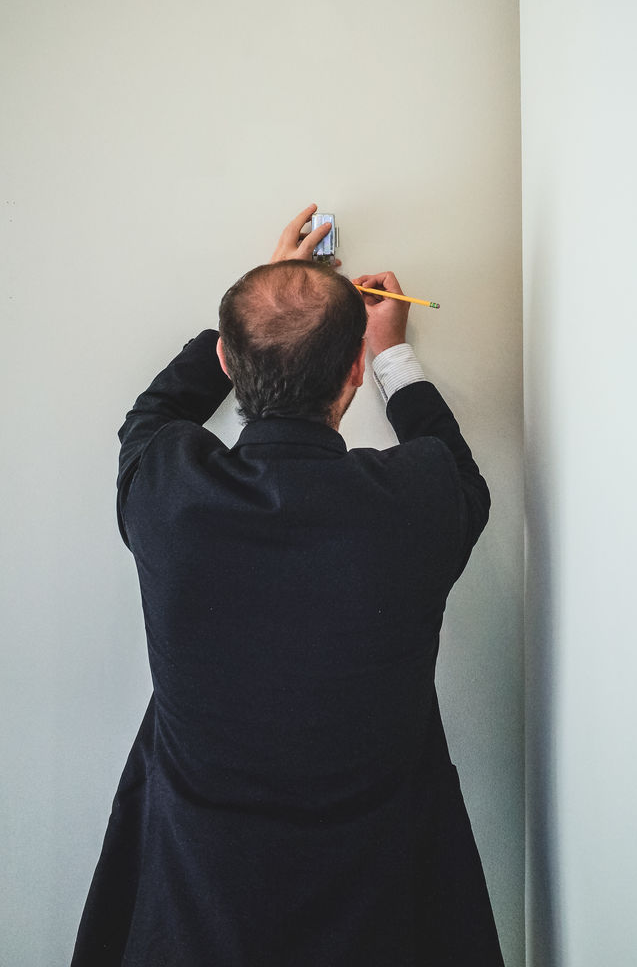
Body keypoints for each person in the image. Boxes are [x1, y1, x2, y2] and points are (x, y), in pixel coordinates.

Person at [72, 205, 504, 967]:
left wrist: (268, 299)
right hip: (380, 914)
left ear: (231, 365)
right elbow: (455, 462)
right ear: (350, 376)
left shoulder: (167, 491)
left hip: (193, 910)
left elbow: (155, 410)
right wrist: (390, 356)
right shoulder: (417, 498)